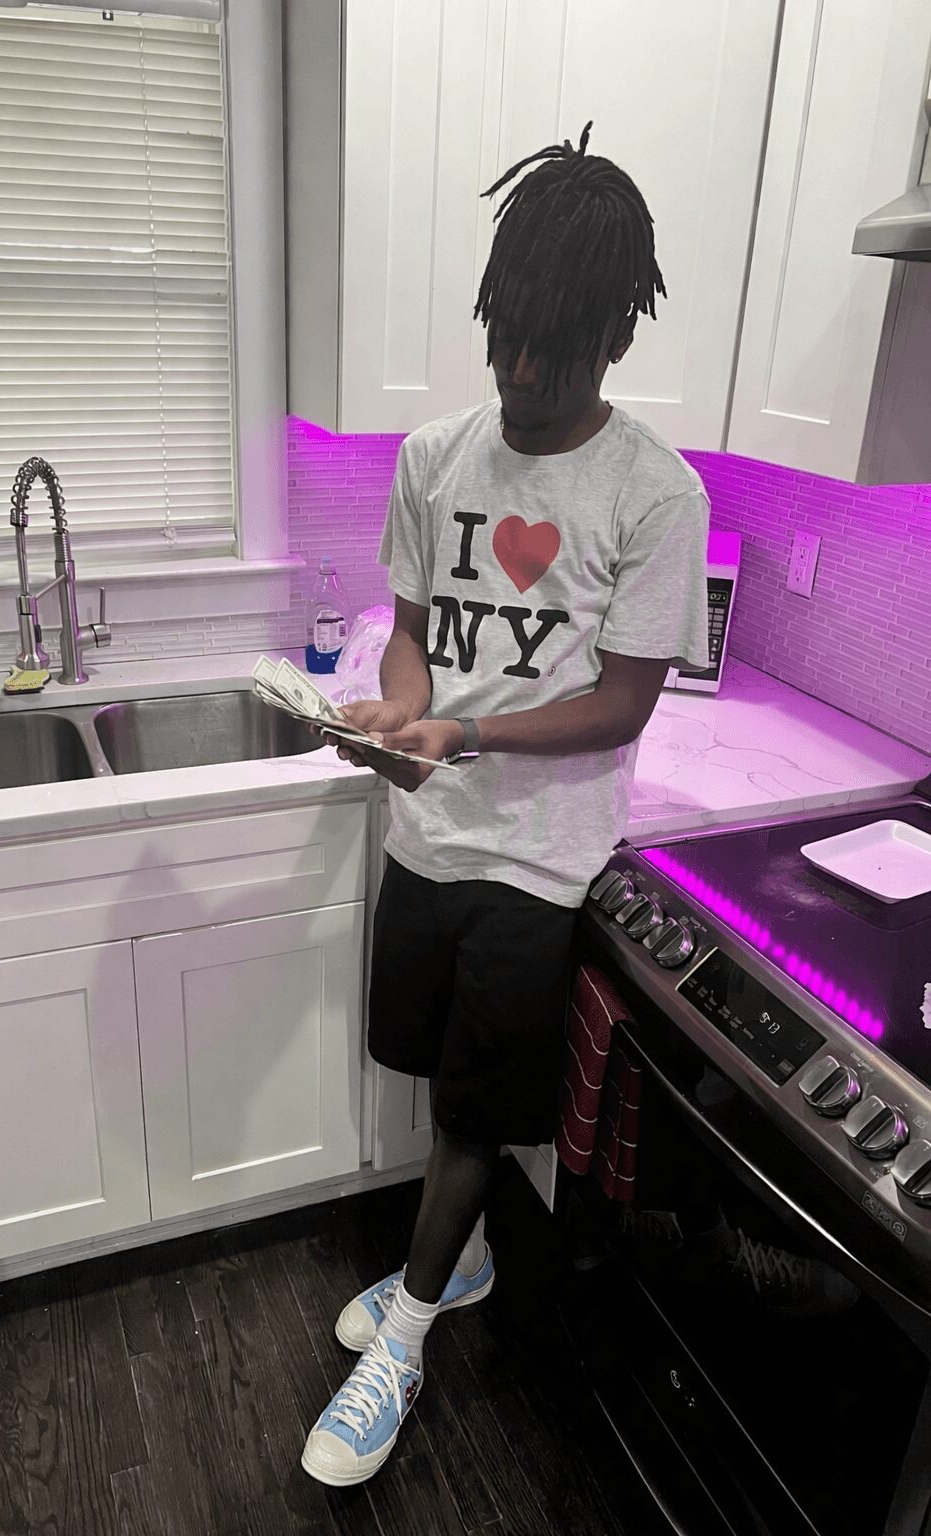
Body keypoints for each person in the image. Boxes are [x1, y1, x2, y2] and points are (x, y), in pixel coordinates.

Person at [300, 121, 711, 1488]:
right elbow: (411, 625)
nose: (526, 377)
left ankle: (406, 1339)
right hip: (428, 831)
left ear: (615, 338)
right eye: (508, 343)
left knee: (478, 1115)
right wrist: (398, 707)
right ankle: (460, 1255)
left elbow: (623, 702)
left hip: (540, 863)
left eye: (560, 350)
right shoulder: (435, 457)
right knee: (430, 1072)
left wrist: (461, 729)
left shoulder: (656, 494)